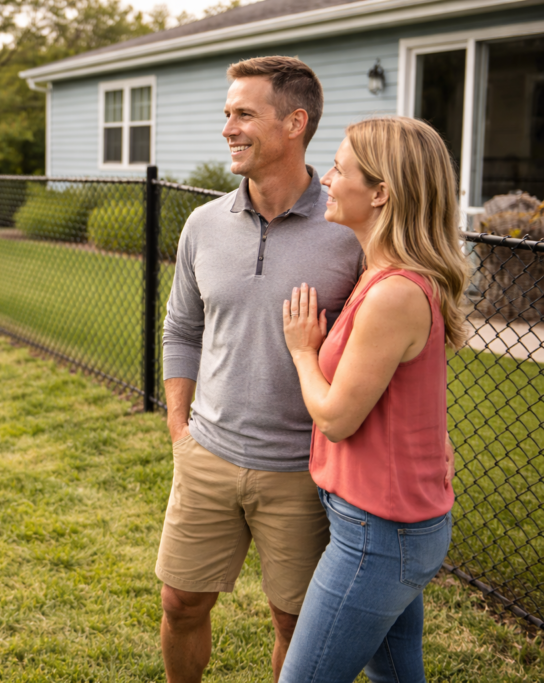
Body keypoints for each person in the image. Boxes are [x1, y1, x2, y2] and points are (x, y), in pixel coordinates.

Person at [158, 56, 365, 682]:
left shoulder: (348, 228)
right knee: (180, 602)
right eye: (227, 114)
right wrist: (179, 431)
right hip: (207, 454)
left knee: (293, 622)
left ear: (295, 122)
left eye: (244, 113)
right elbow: (181, 329)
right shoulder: (202, 225)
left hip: (303, 472)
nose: (228, 128)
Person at [279, 117, 467, 682]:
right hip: (389, 523)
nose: (327, 179)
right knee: (396, 672)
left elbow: (336, 418)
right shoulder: (382, 274)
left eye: (339, 168)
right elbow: (414, 396)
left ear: (381, 192)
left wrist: (302, 352)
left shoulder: (393, 293)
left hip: (379, 535)